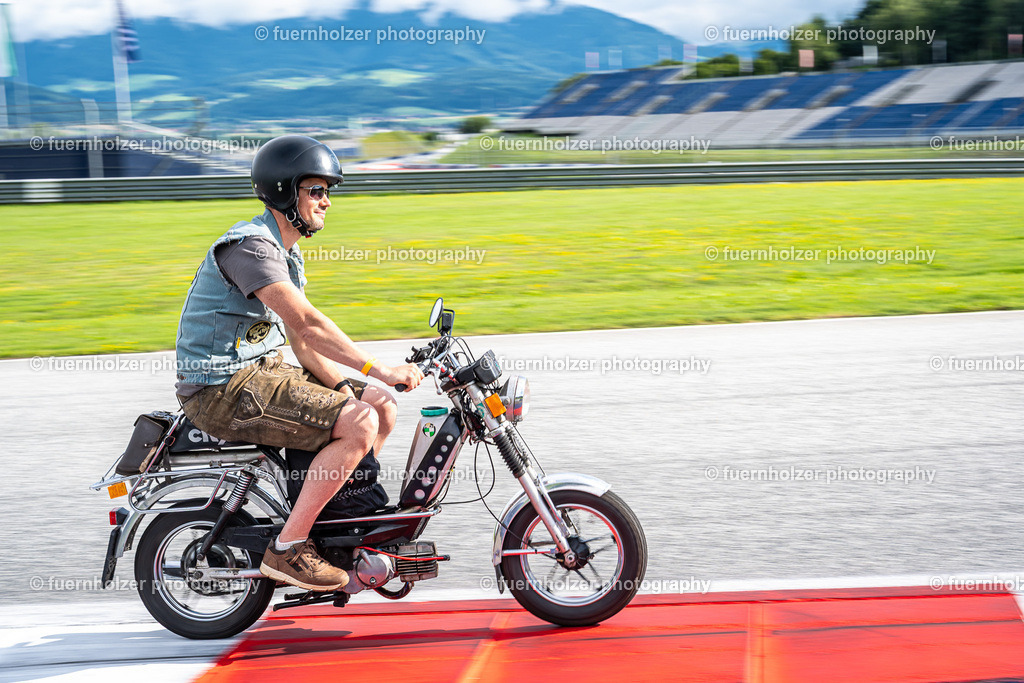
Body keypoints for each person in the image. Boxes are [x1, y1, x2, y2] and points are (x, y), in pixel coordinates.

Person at [174, 134, 424, 592]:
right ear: (285, 191)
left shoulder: (284, 252)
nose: (327, 201)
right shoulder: (250, 247)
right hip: (221, 387)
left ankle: (338, 522)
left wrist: (354, 387)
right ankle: (289, 548)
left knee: (380, 405)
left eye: (329, 191)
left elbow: (303, 347)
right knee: (361, 422)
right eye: (317, 190)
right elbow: (308, 325)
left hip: (260, 373)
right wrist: (380, 368)